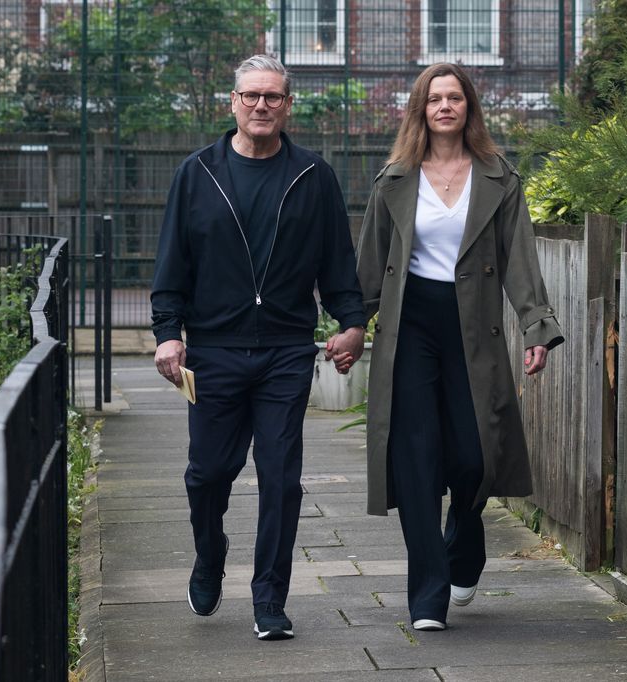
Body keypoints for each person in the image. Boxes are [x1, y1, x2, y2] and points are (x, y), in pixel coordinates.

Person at [151, 54, 366, 641]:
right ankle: (210, 551)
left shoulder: (313, 176)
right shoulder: (197, 174)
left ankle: (270, 597)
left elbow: (338, 267)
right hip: (214, 352)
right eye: (251, 96)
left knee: (280, 478)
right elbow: (172, 266)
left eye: (273, 96)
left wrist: (353, 323)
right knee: (207, 474)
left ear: (288, 105)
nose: (262, 106)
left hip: (284, 352)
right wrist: (168, 332)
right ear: (233, 103)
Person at [355, 63, 564, 632]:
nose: (444, 106)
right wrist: (353, 325)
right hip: (410, 329)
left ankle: (464, 543)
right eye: (434, 99)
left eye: (454, 98)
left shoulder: (498, 177)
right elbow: (370, 269)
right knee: (417, 460)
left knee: (475, 456)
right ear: (420, 109)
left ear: (469, 107)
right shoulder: (396, 179)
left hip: (474, 330)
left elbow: (520, 262)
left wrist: (536, 327)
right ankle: (427, 596)